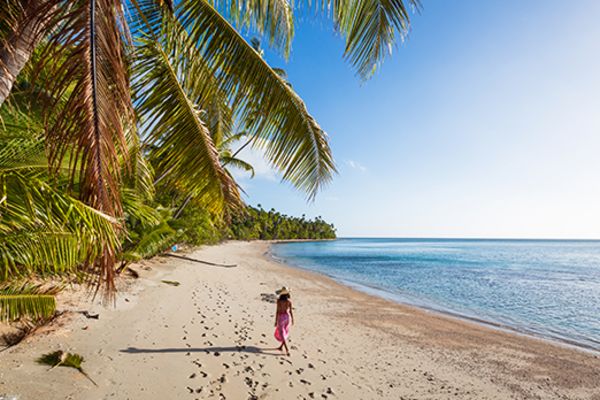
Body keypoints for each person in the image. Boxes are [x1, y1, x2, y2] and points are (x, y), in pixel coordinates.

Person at [274, 286, 294, 356]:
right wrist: (293, 319)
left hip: (281, 317)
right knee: (285, 332)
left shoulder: (279, 301)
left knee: (281, 333)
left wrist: (276, 320)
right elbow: (291, 311)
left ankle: (287, 349)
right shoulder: (289, 302)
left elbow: (277, 311)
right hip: (287, 317)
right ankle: (281, 347)